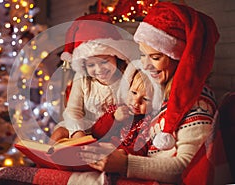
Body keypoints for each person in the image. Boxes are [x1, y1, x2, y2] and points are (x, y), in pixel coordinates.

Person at [78, 2, 220, 184]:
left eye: (155, 57)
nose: (145, 65)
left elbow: (186, 166)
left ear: (180, 59)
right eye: (143, 55)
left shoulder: (197, 104)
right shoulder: (160, 97)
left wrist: (125, 163)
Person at [49, 14, 138, 143]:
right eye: (91, 65)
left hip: (116, 127)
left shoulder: (127, 75)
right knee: (58, 135)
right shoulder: (83, 79)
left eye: (104, 61)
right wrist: (77, 132)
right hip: (87, 127)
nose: (99, 69)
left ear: (115, 56)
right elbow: (73, 110)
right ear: (84, 65)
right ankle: (49, 160)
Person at [91, 68, 158, 156]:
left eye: (145, 99)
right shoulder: (116, 109)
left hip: (118, 158)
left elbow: (140, 149)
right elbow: (96, 133)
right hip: (99, 150)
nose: (136, 102)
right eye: (134, 93)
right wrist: (114, 118)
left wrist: (120, 153)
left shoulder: (147, 122)